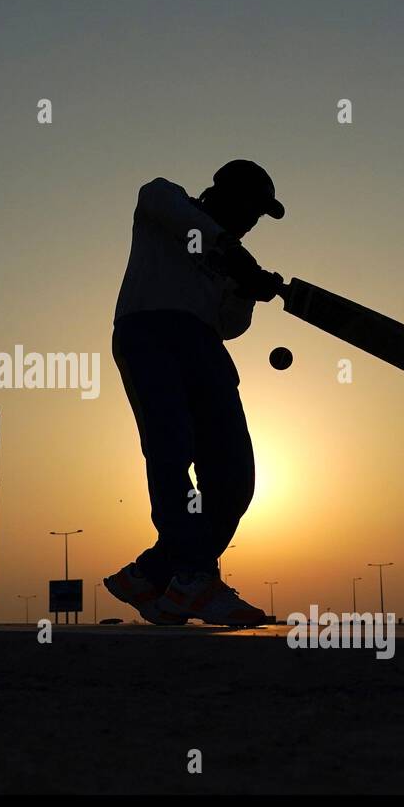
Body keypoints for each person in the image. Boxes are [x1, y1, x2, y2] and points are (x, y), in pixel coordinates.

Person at [104, 160, 285, 626]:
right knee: (171, 452)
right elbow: (152, 192)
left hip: (204, 344)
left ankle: (155, 576)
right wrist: (232, 255)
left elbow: (230, 325)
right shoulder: (168, 203)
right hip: (149, 331)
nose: (251, 221)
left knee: (233, 477)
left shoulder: (231, 257)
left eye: (260, 215)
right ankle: (194, 576)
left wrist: (247, 288)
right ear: (222, 192)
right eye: (250, 207)